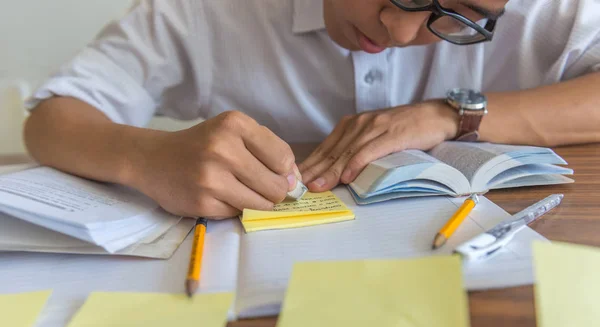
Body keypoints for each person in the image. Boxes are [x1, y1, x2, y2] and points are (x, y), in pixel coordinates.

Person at [23, 0, 600, 219]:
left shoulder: (553, 9)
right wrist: (145, 157)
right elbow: (53, 117)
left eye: (459, 15)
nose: (398, 30)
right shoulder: (203, 12)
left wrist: (455, 114)